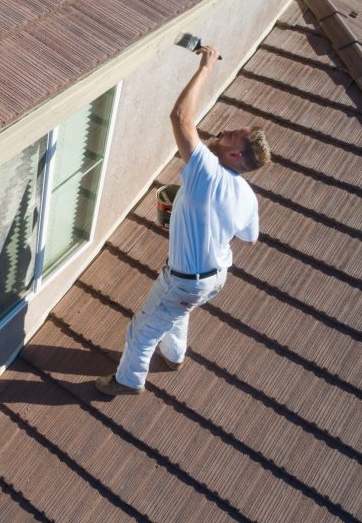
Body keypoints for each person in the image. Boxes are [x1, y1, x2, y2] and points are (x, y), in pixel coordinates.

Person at [96, 45, 272, 396]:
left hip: (185, 279)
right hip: (214, 277)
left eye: (228, 136)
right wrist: (203, 225)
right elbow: (249, 237)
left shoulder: (208, 172)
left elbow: (180, 118)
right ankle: (174, 356)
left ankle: (127, 381)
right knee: (179, 312)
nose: (221, 133)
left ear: (235, 154)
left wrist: (205, 68)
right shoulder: (245, 195)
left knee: (143, 330)